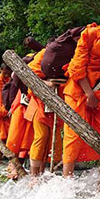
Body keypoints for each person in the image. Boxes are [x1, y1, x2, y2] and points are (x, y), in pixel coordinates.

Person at [62, 20, 100, 178]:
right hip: (78, 91)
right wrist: (89, 94)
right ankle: (66, 180)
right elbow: (76, 67)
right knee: (73, 135)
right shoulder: (90, 34)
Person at [24, 49, 64, 177]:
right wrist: (48, 84)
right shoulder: (40, 59)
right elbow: (29, 79)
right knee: (41, 137)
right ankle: (33, 175)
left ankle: (42, 172)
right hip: (39, 103)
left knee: (50, 140)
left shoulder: (66, 57)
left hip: (56, 104)